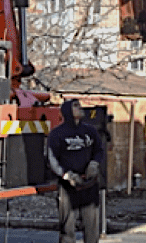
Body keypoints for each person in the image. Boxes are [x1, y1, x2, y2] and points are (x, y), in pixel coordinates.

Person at [46, 99, 106, 243]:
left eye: (80, 105)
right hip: (68, 187)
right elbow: (51, 158)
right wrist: (66, 175)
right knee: (67, 229)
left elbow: (99, 150)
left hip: (89, 186)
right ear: (67, 111)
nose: (80, 108)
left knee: (92, 229)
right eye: (75, 105)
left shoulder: (90, 130)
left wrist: (94, 164)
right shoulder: (57, 134)